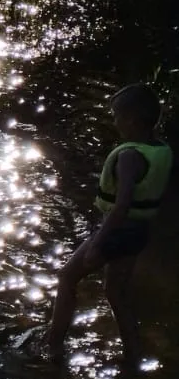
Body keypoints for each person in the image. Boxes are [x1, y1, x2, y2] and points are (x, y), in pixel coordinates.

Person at [47, 83, 173, 360]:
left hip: (117, 232)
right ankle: (133, 353)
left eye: (116, 115)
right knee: (115, 292)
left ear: (132, 120)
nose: (114, 121)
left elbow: (121, 206)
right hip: (139, 233)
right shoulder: (160, 148)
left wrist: (97, 244)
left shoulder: (130, 156)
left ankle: (53, 344)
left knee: (67, 277)